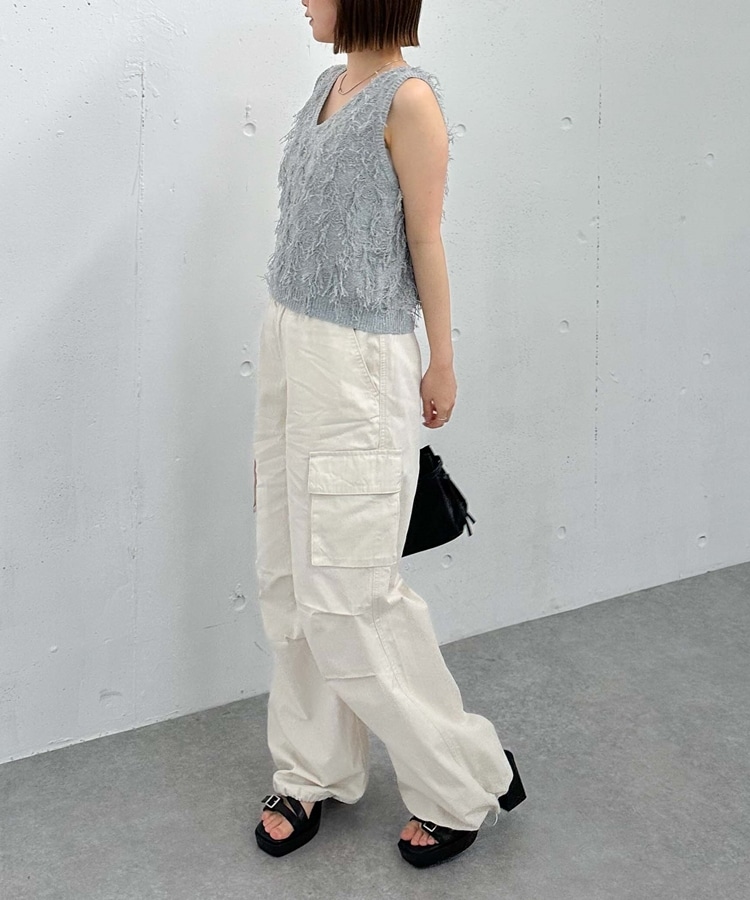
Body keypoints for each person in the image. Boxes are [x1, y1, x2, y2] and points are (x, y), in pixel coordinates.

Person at [252, 0, 526, 868]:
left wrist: (442, 361)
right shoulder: (328, 86)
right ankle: (312, 769)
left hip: (359, 365)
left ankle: (462, 781)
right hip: (290, 344)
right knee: (288, 579)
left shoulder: (410, 101)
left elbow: (425, 237)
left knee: (351, 595)